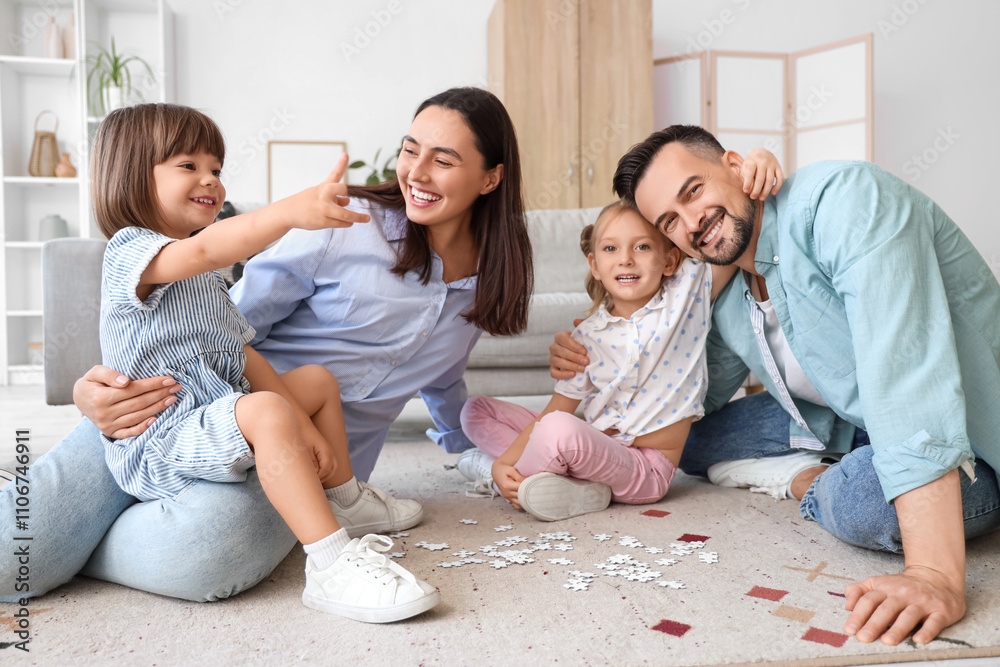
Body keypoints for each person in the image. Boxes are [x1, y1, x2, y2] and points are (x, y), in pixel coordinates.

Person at [0, 87, 532, 605]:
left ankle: (81, 546)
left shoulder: (485, 286)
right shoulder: (341, 226)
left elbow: (442, 390)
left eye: (443, 159)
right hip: (177, 415)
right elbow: (215, 323)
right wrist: (91, 391)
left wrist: (486, 463)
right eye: (410, 150)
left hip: (297, 461)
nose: (415, 172)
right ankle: (57, 531)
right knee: (15, 550)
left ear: (490, 177)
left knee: (212, 554)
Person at [550, 124, 1000, 645]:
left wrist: (934, 575)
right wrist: (594, 356)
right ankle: (827, 460)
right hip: (849, 422)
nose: (692, 222)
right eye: (669, 221)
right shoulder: (725, 291)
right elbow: (690, 399)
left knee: (862, 506)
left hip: (968, 437)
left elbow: (907, 375)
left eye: (693, 191)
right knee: (684, 441)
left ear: (738, 168)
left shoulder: (843, 201)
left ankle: (802, 479)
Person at [90, 103, 437, 622]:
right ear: (133, 175)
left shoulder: (206, 281)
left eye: (216, 169)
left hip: (214, 415)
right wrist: (289, 213)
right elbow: (206, 250)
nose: (211, 180)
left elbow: (245, 357)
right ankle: (330, 567)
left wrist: (307, 429)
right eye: (189, 166)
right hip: (160, 438)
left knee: (315, 381)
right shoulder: (130, 252)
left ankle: (345, 500)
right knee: (267, 412)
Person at [460, 203, 713, 521]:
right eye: (611, 248)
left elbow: (719, 231)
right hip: (592, 447)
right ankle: (538, 478)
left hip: (645, 470)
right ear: (595, 265)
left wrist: (757, 166)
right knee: (475, 411)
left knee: (558, 431)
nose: (625, 258)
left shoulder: (685, 299)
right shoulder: (587, 335)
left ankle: (502, 475)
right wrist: (504, 464)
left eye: (643, 246)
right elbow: (558, 408)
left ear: (670, 260)